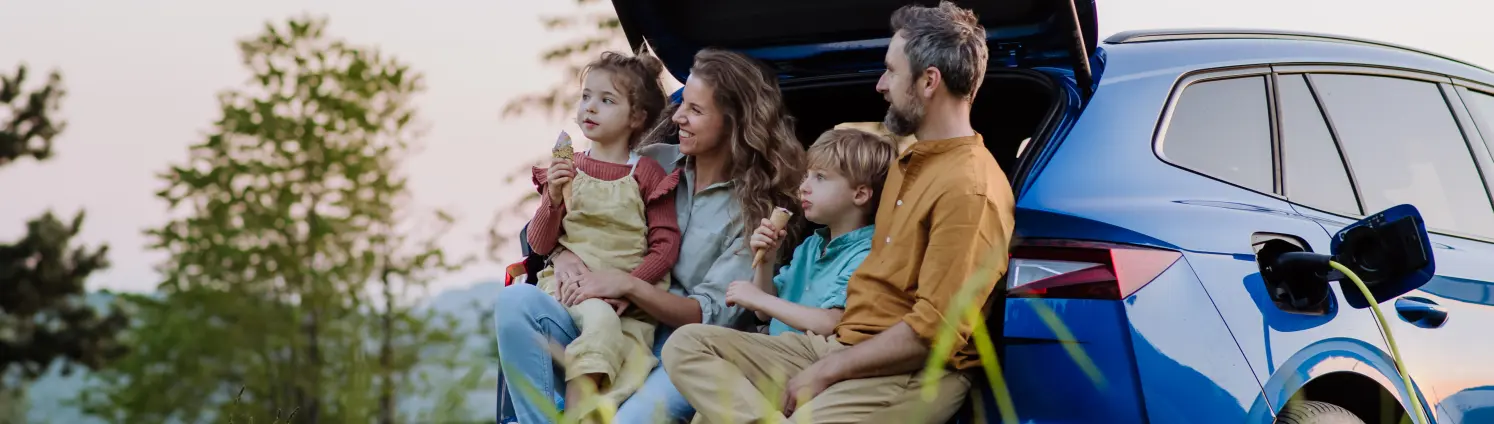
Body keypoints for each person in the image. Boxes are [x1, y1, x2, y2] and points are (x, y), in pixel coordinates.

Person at [662, 2, 1017, 423]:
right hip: (840, 346)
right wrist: (825, 358)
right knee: (686, 346)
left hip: (908, 373)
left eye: (891, 71)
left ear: (928, 81)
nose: (881, 85)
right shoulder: (912, 163)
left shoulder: (970, 187)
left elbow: (931, 335)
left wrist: (826, 371)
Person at [495, 47, 806, 424]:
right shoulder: (651, 160)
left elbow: (708, 316)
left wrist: (627, 285)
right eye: (682, 105)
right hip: (600, 319)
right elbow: (567, 224)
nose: (677, 117)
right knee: (516, 303)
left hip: (682, 349)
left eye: (695, 110)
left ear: (732, 121)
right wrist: (563, 255)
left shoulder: (752, 213)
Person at [502, 50, 679, 421]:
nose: (590, 108)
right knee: (520, 303)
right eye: (585, 96)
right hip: (567, 291)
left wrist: (625, 285)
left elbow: (665, 248)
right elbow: (540, 244)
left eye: (606, 100)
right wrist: (552, 198)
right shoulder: (569, 169)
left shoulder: (646, 174)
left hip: (621, 302)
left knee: (601, 319)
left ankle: (580, 411)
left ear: (637, 117)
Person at [724, 129, 895, 337]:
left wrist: (759, 298)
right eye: (806, 176)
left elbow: (832, 323)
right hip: (775, 348)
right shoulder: (811, 246)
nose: (804, 187)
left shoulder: (867, 253)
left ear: (859, 194)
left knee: (691, 340)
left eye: (820, 177)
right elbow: (763, 315)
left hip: (811, 357)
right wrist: (765, 262)